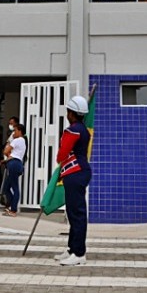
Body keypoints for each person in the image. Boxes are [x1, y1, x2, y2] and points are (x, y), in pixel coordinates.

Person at [56, 94, 92, 266]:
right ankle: (72, 248)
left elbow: (62, 154)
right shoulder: (83, 129)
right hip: (79, 171)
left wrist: (59, 159)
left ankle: (79, 253)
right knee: (73, 213)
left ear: (72, 113)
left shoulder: (72, 130)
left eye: (68, 111)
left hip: (75, 172)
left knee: (76, 214)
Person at [2, 123, 26, 216]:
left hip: (13, 164)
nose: (13, 133)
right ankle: (11, 206)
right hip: (17, 164)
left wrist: (9, 142)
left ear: (20, 131)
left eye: (15, 130)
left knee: (14, 188)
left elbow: (5, 151)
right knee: (7, 188)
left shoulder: (16, 140)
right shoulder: (23, 141)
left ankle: (13, 210)